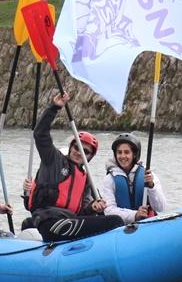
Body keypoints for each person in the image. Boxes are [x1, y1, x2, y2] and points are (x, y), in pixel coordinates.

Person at [24, 92, 124, 241]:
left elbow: (82, 210)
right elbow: (40, 134)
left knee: (112, 220)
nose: (79, 152)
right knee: (115, 222)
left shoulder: (85, 179)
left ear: (89, 157)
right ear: (71, 147)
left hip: (69, 221)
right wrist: (54, 108)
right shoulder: (53, 159)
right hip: (50, 221)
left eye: (86, 151)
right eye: (77, 147)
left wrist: (92, 208)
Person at [100, 133, 167, 224]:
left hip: (147, 223)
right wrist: (135, 215)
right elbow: (109, 210)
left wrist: (152, 187)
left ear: (134, 155)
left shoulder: (148, 175)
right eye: (119, 152)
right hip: (123, 227)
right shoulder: (109, 179)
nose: (123, 156)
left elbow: (161, 207)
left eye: (127, 152)